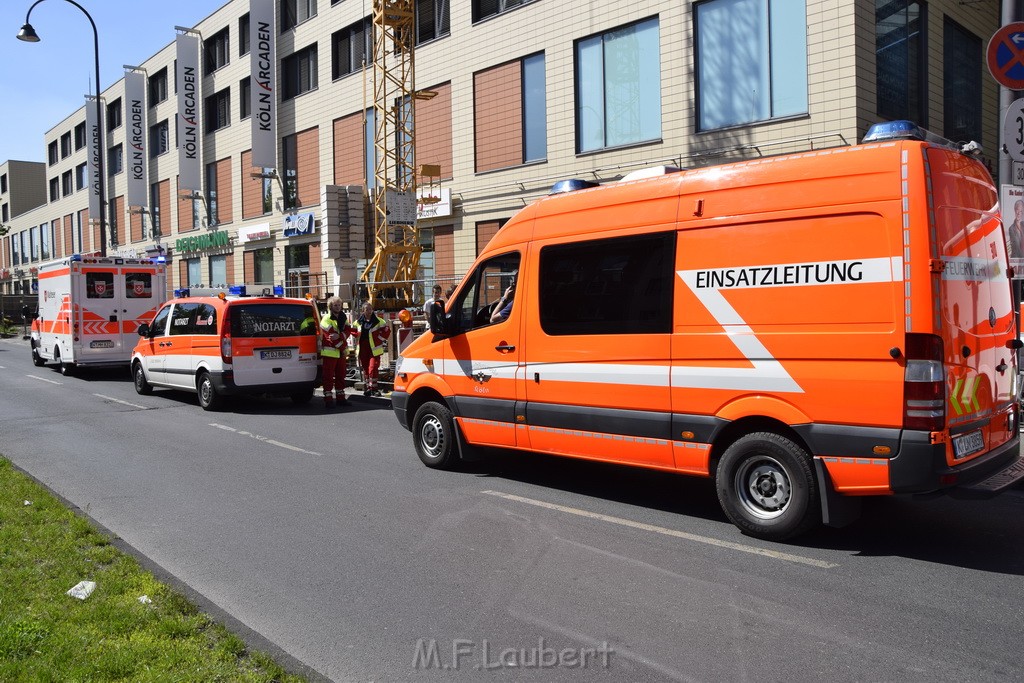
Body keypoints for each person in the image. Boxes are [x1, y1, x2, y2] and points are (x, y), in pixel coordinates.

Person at [319, 296, 352, 409]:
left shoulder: (343, 317)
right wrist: (342, 348)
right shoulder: (326, 319)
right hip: (330, 353)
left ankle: (341, 398)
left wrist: (341, 335)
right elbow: (330, 338)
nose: (338, 307)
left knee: (341, 375)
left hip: (340, 353)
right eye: (335, 305)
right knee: (328, 377)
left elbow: (348, 330)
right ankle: (328, 400)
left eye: (339, 305)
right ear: (330, 306)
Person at [353, 302, 391, 396]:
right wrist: (356, 336)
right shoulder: (358, 322)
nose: (369, 311)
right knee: (366, 368)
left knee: (373, 367)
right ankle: (368, 388)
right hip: (363, 347)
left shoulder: (379, 321)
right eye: (367, 309)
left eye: (370, 309)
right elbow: (353, 331)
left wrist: (379, 339)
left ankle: (374, 388)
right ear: (363, 311)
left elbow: (387, 331)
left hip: (374, 348)